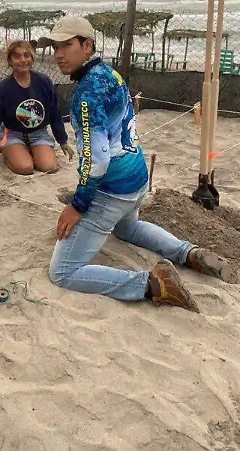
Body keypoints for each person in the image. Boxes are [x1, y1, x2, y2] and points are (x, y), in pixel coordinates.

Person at [37, 16, 230, 312]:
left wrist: (77, 205)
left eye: (66, 45)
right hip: (137, 178)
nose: (58, 54)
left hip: (112, 189)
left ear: (87, 45)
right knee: (128, 229)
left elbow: (98, 160)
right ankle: (188, 253)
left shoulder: (86, 94)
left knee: (62, 272)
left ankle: (151, 285)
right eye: (54, 47)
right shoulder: (110, 74)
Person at [0, 39, 75, 174]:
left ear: (32, 58)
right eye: (17, 56)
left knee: (49, 167)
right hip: (12, 134)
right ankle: (11, 152)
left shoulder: (44, 82)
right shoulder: (3, 88)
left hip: (39, 134)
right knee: (25, 168)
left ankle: (31, 151)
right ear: (10, 61)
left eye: (26, 55)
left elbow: (55, 113)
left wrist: (63, 141)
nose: (23, 60)